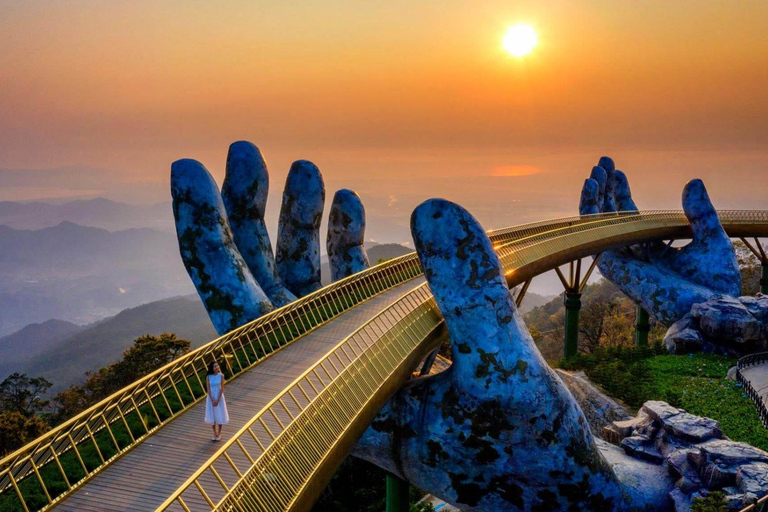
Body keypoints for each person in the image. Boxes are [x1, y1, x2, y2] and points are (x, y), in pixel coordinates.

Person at [204, 361, 229, 441]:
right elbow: (208, 389)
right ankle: (214, 432)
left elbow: (222, 388)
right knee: (212, 415)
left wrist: (218, 399)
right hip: (211, 396)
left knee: (219, 414)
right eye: (215, 366)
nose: (216, 367)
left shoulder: (221, 376)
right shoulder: (208, 376)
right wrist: (212, 399)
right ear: (212, 368)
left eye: (217, 366)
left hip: (219, 396)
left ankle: (219, 432)